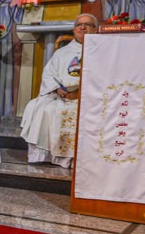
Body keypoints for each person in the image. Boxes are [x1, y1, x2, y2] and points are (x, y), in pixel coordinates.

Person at [20, 14, 98, 169]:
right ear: (74, 29)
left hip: (90, 98)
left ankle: (80, 159)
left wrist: (83, 93)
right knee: (43, 110)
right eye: (78, 25)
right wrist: (57, 89)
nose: (82, 27)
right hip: (63, 96)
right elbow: (49, 74)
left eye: (87, 24)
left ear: (96, 29)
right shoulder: (61, 53)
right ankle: (50, 156)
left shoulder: (102, 52)